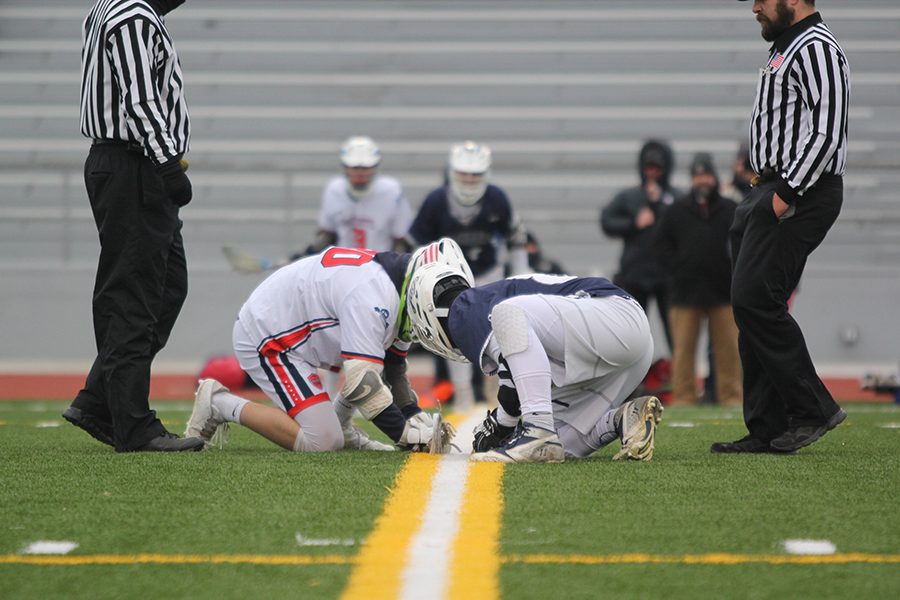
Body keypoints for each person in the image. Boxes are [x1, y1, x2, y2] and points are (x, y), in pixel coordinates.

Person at [63, 0, 204, 452]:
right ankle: (134, 424)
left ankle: (97, 399)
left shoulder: (112, 9)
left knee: (166, 288)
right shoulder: (132, 14)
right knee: (134, 295)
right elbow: (139, 97)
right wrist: (166, 163)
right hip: (133, 166)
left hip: (130, 165)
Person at [713, 0, 850, 453]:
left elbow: (827, 132)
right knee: (750, 301)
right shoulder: (787, 46)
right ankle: (767, 426)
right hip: (768, 187)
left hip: (799, 190)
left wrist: (785, 194)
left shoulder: (816, 46)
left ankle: (812, 409)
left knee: (755, 298)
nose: (754, 7)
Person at [184, 240, 471, 453]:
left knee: (368, 365)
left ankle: (342, 428)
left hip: (296, 331)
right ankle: (218, 403)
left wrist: (412, 414)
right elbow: (362, 382)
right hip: (268, 335)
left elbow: (392, 367)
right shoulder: (374, 294)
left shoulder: (400, 286)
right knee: (321, 440)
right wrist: (405, 434)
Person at [405, 264, 663, 464]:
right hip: (628, 338)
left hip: (614, 318)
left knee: (508, 313)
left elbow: (510, 383)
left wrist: (500, 423)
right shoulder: (484, 299)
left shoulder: (464, 307)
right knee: (562, 444)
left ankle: (536, 430)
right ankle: (620, 420)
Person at [408, 141, 530, 410]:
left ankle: (501, 392)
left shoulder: (496, 198)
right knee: (454, 335)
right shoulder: (436, 201)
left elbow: (517, 237)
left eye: (475, 174)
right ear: (453, 172)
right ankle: (463, 394)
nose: (470, 179)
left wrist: (521, 274)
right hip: (451, 279)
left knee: (501, 330)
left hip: (489, 273)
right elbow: (416, 245)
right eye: (464, 173)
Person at [655, 153, 742, 407]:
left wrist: (731, 271)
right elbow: (660, 246)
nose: (702, 180)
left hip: (722, 291)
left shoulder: (729, 208)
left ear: (713, 177)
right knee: (683, 350)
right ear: (692, 179)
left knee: (728, 350)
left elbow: (741, 243)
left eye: (706, 175)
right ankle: (683, 398)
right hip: (685, 293)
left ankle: (731, 397)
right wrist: (677, 269)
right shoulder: (677, 210)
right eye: (697, 176)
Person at [600, 140, 679, 352]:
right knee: (632, 336)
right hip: (635, 275)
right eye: (649, 169)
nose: (653, 174)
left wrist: (660, 206)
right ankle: (633, 384)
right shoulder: (630, 197)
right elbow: (607, 221)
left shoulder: (676, 199)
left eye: (657, 169)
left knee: (676, 336)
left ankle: (682, 383)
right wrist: (634, 223)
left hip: (667, 276)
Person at [300, 136, 412, 257]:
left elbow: (401, 239)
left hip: (381, 263)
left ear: (374, 168)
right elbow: (327, 235)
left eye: (365, 168)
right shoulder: (334, 190)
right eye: (355, 168)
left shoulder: (392, 191)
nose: (360, 173)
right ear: (345, 168)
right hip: (341, 264)